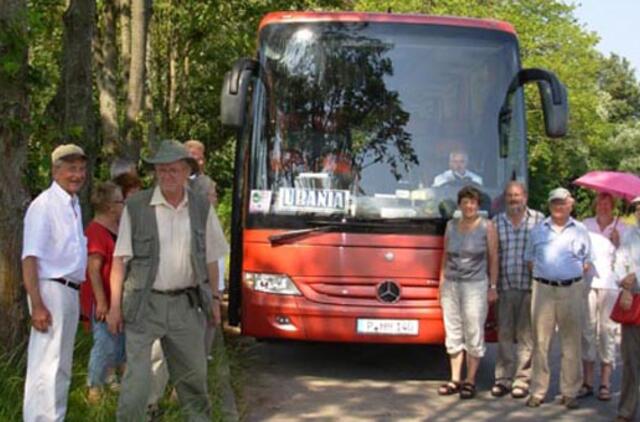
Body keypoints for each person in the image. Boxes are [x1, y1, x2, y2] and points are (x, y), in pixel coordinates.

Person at [106, 139, 229, 421]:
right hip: (143, 304)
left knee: (194, 380)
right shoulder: (136, 206)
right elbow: (119, 260)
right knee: (136, 383)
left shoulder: (201, 207)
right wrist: (114, 307)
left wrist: (214, 298)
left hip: (186, 306)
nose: (166, 176)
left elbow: (211, 257)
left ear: (187, 171)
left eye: (173, 170)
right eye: (161, 171)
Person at [22, 144, 88, 421]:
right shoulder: (44, 205)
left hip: (69, 289)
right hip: (50, 288)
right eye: (71, 168)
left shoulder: (73, 205)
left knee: (61, 365)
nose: (77, 175)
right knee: (47, 364)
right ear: (55, 170)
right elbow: (29, 257)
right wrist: (37, 304)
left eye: (81, 169)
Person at [525, 187, 592, 410]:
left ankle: (570, 391)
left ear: (569, 204)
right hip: (543, 289)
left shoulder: (580, 230)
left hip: (571, 289)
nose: (558, 206)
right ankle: (538, 390)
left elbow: (586, 261)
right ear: (549, 204)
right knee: (541, 343)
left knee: (571, 343)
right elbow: (530, 260)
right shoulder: (538, 230)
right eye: (554, 202)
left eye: (562, 202)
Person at [438, 185, 498, 399]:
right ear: (460, 205)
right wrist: (441, 283)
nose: (469, 206)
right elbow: (445, 256)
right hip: (452, 285)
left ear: (477, 205)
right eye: (465, 202)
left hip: (476, 285)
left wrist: (493, 287)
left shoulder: (487, 226)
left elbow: (493, 258)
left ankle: (470, 380)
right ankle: (455, 379)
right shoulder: (451, 226)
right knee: (453, 330)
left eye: (472, 202)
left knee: (473, 331)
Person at [491, 181, 544, 399]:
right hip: (504, 286)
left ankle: (522, 380)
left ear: (526, 196)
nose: (514, 199)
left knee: (526, 337)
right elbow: (493, 255)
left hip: (530, 286)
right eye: (510, 195)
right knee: (503, 334)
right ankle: (503, 379)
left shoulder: (539, 220)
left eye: (518, 195)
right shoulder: (496, 222)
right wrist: (492, 286)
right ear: (505, 198)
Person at [579, 192, 628, 401]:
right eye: (600, 202)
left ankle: (605, 382)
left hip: (611, 285)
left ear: (613, 206)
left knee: (607, 332)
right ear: (595, 205)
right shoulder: (585, 225)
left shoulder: (622, 227)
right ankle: (588, 381)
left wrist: (618, 242)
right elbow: (577, 249)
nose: (603, 206)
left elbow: (628, 257)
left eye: (607, 203)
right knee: (587, 331)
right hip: (588, 282)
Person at [80, 181, 126, 403]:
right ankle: (94, 386)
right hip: (102, 298)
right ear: (109, 207)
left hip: (115, 297)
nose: (123, 204)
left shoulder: (115, 229)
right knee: (104, 343)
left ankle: (109, 380)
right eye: (120, 201)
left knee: (116, 341)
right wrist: (101, 302)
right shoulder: (96, 232)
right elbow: (93, 269)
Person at [613, 196, 640, 422]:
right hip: (633, 301)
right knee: (630, 360)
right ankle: (627, 410)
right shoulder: (630, 235)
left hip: (634, 291)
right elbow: (619, 261)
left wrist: (635, 276)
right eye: (639, 208)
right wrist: (622, 280)